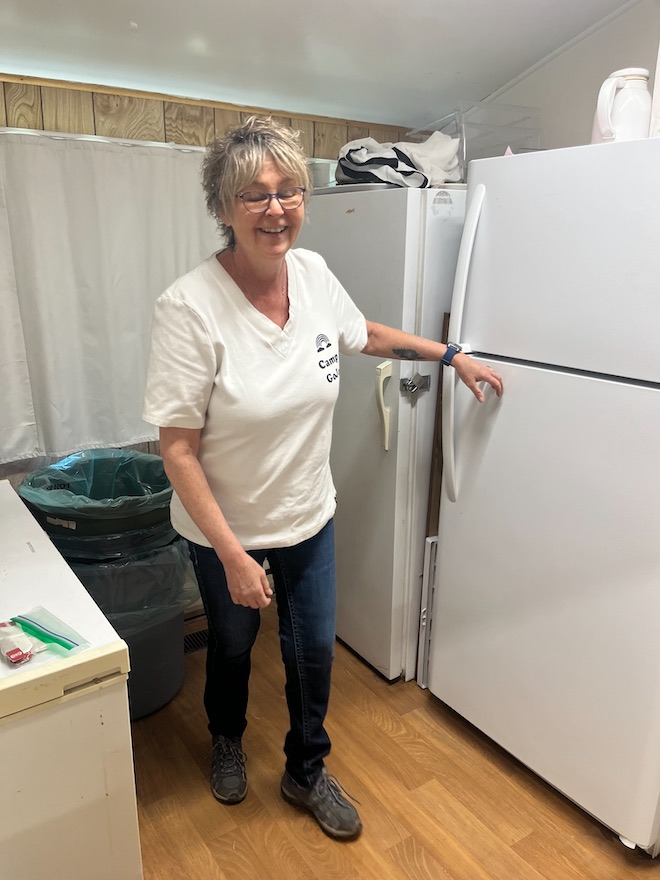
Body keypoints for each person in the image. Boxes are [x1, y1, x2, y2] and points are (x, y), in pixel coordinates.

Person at [142, 116, 502, 842]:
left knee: (311, 652)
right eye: (255, 194)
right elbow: (177, 450)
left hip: (308, 515)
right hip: (224, 532)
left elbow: (364, 334)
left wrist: (450, 353)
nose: (276, 208)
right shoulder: (189, 308)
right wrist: (234, 555)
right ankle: (226, 737)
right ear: (223, 207)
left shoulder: (311, 274)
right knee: (234, 645)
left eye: (289, 190)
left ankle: (306, 771)